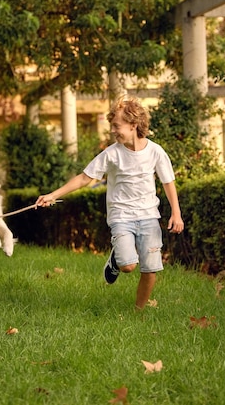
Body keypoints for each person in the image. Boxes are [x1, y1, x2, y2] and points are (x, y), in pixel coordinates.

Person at [36, 96, 184, 310]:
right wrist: (52, 195)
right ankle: (117, 258)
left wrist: (176, 214)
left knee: (150, 269)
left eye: (117, 126)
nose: (113, 131)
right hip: (121, 217)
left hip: (149, 216)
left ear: (133, 125)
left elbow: (168, 182)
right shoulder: (112, 153)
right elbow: (85, 178)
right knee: (128, 266)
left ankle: (139, 310)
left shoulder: (155, 152)